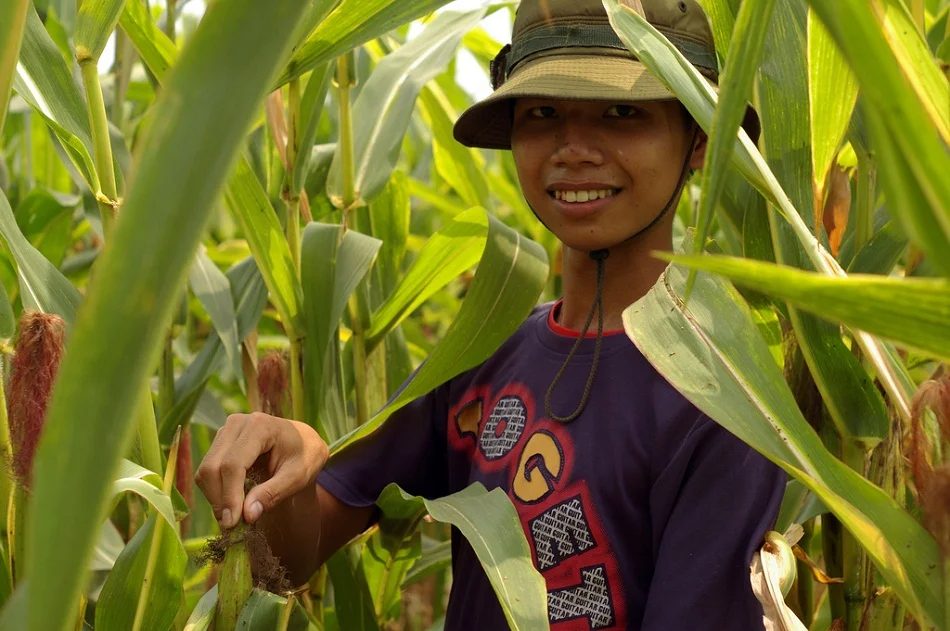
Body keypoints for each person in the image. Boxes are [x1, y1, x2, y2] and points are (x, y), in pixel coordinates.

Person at [196, 0, 786, 628]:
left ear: (699, 139)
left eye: (622, 112)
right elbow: (289, 561)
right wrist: (287, 464)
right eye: (543, 113)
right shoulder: (483, 351)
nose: (574, 149)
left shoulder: (724, 401)